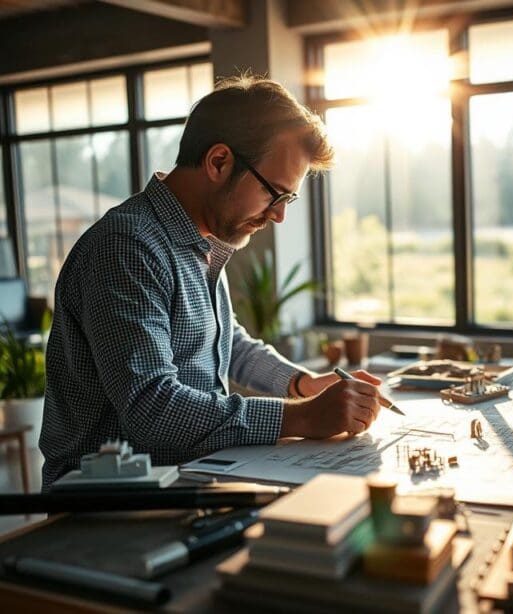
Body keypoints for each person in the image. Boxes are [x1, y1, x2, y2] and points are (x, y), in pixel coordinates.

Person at [40, 75, 383, 490]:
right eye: (275, 193)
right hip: (110, 509)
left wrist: (302, 384)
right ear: (219, 162)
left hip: (188, 481)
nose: (278, 215)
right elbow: (153, 407)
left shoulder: (196, 241)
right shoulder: (126, 246)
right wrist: (303, 416)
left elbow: (227, 345)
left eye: (287, 199)